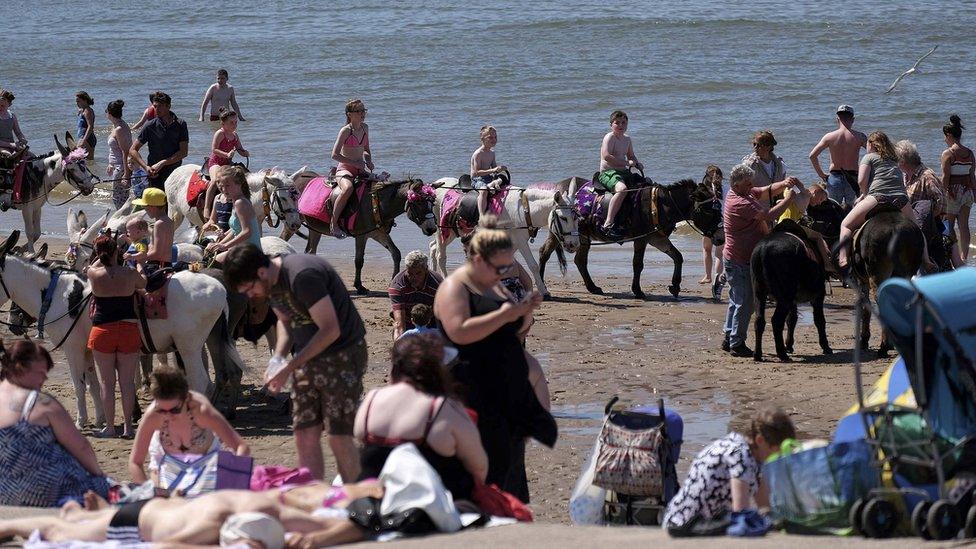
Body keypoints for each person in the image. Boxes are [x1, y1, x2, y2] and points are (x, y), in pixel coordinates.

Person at [434, 216, 557, 502]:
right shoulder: (455, 287)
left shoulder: (494, 286)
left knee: (510, 478)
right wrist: (507, 315)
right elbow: (459, 332)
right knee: (479, 476)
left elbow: (517, 328)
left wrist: (525, 313)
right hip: (467, 382)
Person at [223, 244, 368, 483]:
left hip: (343, 353)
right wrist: (278, 358)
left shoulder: (303, 276)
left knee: (337, 434)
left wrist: (289, 367)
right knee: (303, 431)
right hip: (308, 356)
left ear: (260, 272)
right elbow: (286, 323)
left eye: (249, 289)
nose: (251, 296)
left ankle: (356, 498)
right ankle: (312, 494)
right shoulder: (270, 283)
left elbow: (330, 329)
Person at [354, 332, 489, 501]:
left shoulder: (371, 400)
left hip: (374, 503)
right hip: (428, 510)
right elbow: (479, 468)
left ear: (395, 367)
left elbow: (358, 445)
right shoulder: (443, 409)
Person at [0, 489, 335, 546]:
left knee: (73, 522)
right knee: (60, 532)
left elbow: (327, 525)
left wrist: (322, 537)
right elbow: (168, 545)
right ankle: (9, 525)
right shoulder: (210, 527)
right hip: (134, 524)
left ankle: (95, 511)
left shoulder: (263, 505)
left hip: (151, 508)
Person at [0, 340, 109, 506]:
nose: (44, 379)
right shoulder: (40, 402)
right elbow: (81, 446)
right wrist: (100, 477)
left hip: (4, 494)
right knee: (108, 488)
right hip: (47, 492)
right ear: (21, 368)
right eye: (41, 373)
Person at [663, 408, 794, 537]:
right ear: (760, 440)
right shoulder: (740, 455)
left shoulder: (754, 456)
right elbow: (741, 513)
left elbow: (765, 508)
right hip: (684, 525)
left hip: (707, 524)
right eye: (778, 451)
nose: (779, 457)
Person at [721, 164, 798, 357]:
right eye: (747, 184)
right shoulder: (739, 202)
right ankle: (737, 344)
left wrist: (784, 183)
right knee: (745, 302)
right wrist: (788, 200)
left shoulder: (743, 192)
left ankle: (729, 336)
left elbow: (764, 191)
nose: (751, 187)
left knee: (736, 299)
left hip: (738, 257)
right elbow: (769, 215)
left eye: (750, 184)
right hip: (739, 259)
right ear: (737, 184)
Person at [128, 366, 249, 485]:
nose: (168, 416)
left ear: (186, 398)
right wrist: (147, 491)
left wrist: (234, 481)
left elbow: (241, 447)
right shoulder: (153, 415)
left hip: (206, 464)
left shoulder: (202, 411)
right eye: (162, 410)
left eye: (174, 410)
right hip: (166, 466)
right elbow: (135, 462)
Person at [836, 131, 925, 271]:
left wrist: (864, 195)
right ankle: (926, 260)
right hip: (901, 198)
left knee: (846, 225)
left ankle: (843, 258)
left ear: (871, 144)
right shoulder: (894, 159)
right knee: (917, 229)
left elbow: (861, 181)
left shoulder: (868, 157)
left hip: (878, 197)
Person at [86, 233, 146, 439]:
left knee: (107, 383)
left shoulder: (93, 273)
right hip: (128, 330)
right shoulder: (128, 273)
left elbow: (92, 265)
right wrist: (137, 264)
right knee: (127, 383)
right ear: (116, 252)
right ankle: (129, 428)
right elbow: (143, 283)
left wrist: (101, 254)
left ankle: (110, 428)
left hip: (102, 331)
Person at [900, 139, 956, 269]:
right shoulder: (906, 176)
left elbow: (941, 203)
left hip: (932, 226)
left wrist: (927, 217)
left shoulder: (926, 176)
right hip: (913, 224)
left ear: (903, 161)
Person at [329, 99, 373, 238]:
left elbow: (366, 150)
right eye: (359, 110)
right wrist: (354, 164)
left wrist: (369, 160)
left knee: (380, 185)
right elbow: (334, 155)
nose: (362, 113)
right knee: (348, 189)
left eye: (363, 110)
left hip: (360, 169)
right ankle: (333, 224)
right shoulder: (345, 130)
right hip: (344, 169)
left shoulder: (365, 128)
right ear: (349, 114)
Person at [809, 105, 867, 208]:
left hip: (834, 177)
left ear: (837, 119)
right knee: (853, 209)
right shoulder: (860, 137)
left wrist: (821, 174)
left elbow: (812, 156)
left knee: (835, 208)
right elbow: (874, 154)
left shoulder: (830, 137)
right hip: (853, 178)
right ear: (853, 119)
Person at [597, 110, 644, 238]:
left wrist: (636, 163)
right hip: (608, 173)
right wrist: (627, 163)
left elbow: (631, 155)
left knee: (645, 186)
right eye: (617, 123)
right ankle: (608, 222)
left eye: (624, 122)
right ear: (611, 124)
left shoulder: (627, 139)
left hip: (623, 172)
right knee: (622, 189)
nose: (621, 125)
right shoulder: (609, 137)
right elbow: (607, 156)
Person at [130, 91, 189, 190]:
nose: (156, 109)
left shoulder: (180, 124)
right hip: (154, 174)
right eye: (155, 106)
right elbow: (132, 150)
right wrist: (145, 167)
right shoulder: (150, 126)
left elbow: (183, 152)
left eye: (160, 106)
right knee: (155, 204)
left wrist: (163, 163)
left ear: (168, 106)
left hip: (175, 173)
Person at [205, 165, 261, 264]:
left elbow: (247, 231)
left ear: (239, 184)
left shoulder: (240, 203)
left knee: (211, 263)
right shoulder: (236, 202)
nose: (223, 189)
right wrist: (219, 242)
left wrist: (225, 246)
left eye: (227, 186)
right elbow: (236, 229)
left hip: (248, 252)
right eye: (220, 185)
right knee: (208, 255)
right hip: (241, 248)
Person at [203, 109, 249, 220]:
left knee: (244, 177)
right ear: (223, 124)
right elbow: (214, 150)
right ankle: (206, 208)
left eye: (235, 122)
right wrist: (227, 154)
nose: (234, 125)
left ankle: (244, 204)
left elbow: (239, 149)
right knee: (215, 180)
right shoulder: (220, 133)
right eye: (231, 123)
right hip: (216, 162)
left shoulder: (235, 135)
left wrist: (245, 153)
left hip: (227, 164)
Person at [940, 115, 974, 263]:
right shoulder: (969, 153)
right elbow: (972, 176)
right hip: (967, 192)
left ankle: (951, 257)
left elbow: (946, 177)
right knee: (964, 226)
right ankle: (963, 257)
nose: (944, 140)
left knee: (948, 225)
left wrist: (941, 194)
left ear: (949, 135)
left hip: (952, 193)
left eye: (945, 137)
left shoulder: (948, 153)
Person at [388, 250, 442, 339]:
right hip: (409, 319)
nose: (414, 277)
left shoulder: (437, 284)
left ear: (426, 270)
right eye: (410, 273)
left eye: (418, 273)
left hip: (431, 319)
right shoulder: (397, 286)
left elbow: (443, 315)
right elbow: (399, 323)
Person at [125, 187, 175, 273]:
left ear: (152, 207)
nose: (145, 210)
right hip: (165, 263)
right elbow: (158, 238)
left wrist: (134, 258)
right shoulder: (168, 221)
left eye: (145, 207)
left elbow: (157, 253)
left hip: (158, 265)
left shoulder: (159, 224)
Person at [470, 125, 508, 216]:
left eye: (495, 137)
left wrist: (499, 169)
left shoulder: (492, 153)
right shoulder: (478, 153)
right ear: (482, 139)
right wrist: (493, 169)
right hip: (477, 179)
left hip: (488, 177)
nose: (494, 139)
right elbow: (477, 172)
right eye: (490, 137)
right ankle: (482, 216)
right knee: (483, 190)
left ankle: (493, 184)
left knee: (503, 179)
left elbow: (494, 168)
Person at [699, 165, 726, 288]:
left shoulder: (703, 190)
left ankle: (708, 276)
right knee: (719, 254)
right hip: (722, 223)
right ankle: (718, 277)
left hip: (708, 224)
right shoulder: (727, 189)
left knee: (707, 249)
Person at [105, 99, 133, 209]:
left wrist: (126, 174)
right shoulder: (116, 125)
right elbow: (114, 149)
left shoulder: (119, 129)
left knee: (119, 199)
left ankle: (124, 223)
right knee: (119, 198)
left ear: (109, 113)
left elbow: (125, 151)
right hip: (116, 165)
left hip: (121, 167)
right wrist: (110, 163)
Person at [0, 89, 28, 155]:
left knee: (31, 156)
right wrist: (11, 145)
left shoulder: (12, 116)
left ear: (9, 104)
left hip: (12, 145)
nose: (0, 107)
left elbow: (18, 132)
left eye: (2, 106)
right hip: (1, 146)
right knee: (7, 155)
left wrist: (22, 139)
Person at [75, 91, 96, 160]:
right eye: (76, 101)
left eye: (78, 101)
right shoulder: (84, 110)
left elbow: (90, 126)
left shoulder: (87, 111)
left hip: (87, 139)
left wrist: (84, 140)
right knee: (86, 162)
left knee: (87, 161)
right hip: (84, 138)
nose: (77, 103)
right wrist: (80, 110)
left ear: (85, 100)